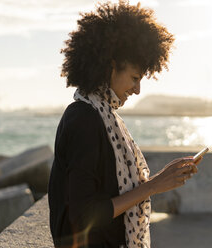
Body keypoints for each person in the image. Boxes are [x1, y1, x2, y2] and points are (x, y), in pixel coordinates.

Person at [48, 1, 201, 247]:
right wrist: (153, 186)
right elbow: (83, 215)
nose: (138, 90)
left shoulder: (104, 115)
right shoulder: (84, 119)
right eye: (134, 78)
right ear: (110, 66)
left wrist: (163, 178)